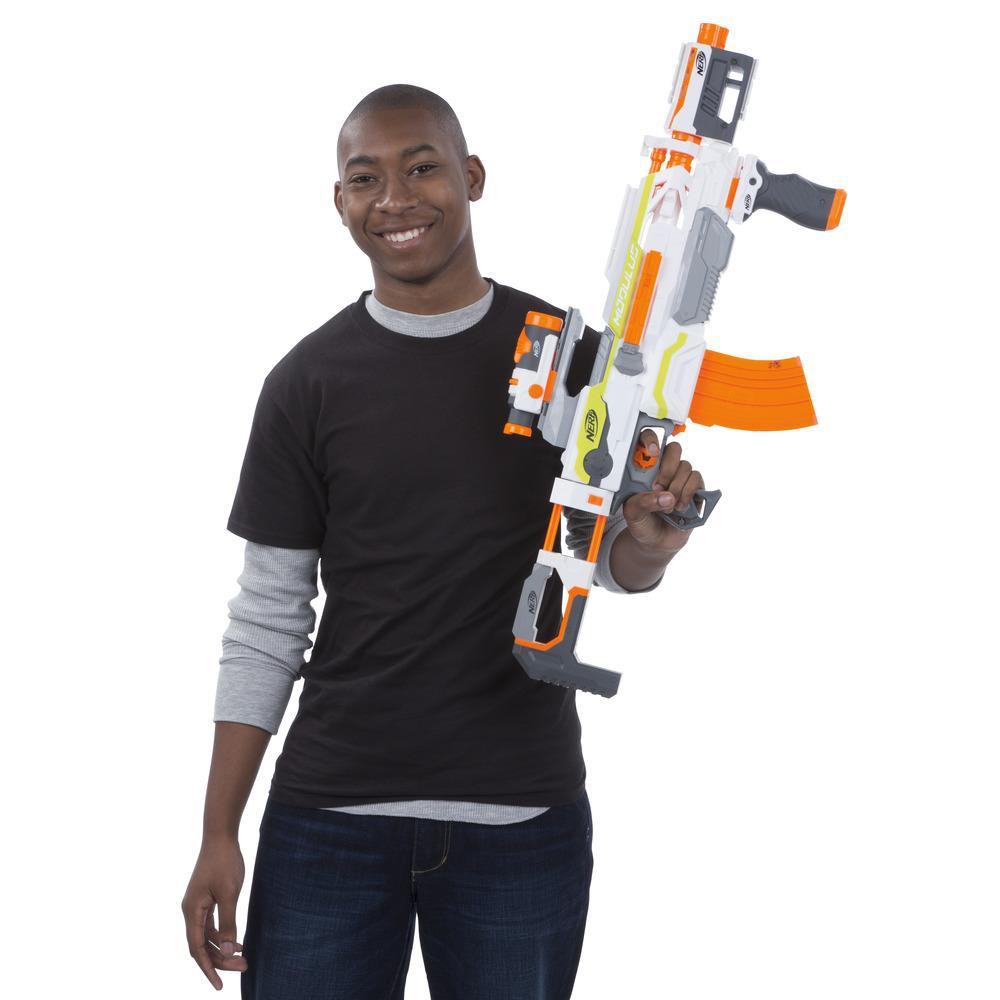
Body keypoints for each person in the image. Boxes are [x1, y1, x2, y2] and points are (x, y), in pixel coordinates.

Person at [181, 83, 706, 999]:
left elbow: (603, 556)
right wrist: (218, 830)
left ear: (472, 177)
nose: (395, 198)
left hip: (522, 817)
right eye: (365, 179)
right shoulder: (306, 382)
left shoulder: (576, 359)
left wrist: (653, 545)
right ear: (339, 201)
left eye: (421, 168)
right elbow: (267, 619)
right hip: (329, 819)